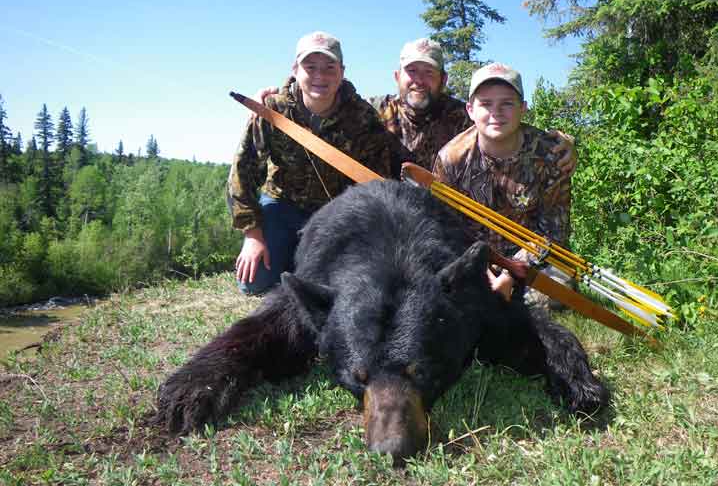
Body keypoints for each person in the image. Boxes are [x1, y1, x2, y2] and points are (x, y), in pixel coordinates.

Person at [228, 31, 397, 295]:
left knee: (343, 285)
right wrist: (253, 235)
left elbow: (375, 183)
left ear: (342, 72)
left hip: (337, 214)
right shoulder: (270, 110)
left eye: (330, 67)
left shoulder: (363, 117)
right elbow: (242, 174)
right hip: (281, 205)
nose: (320, 76)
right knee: (255, 283)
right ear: (295, 69)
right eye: (310, 67)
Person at [261, 37, 577, 175]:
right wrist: (279, 94)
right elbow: (322, 98)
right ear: (397, 76)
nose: (419, 81)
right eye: (412, 71)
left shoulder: (462, 115)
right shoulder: (369, 111)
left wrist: (561, 143)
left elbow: (503, 124)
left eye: (429, 73)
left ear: (443, 79)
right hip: (384, 211)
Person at [432, 62, 574, 309]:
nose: (496, 112)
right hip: (472, 261)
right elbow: (442, 229)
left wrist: (510, 272)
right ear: (470, 110)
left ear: (523, 108)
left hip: (532, 263)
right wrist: (480, 269)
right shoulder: (450, 159)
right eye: (486, 104)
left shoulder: (551, 155)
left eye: (507, 103)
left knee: (559, 287)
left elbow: (554, 234)